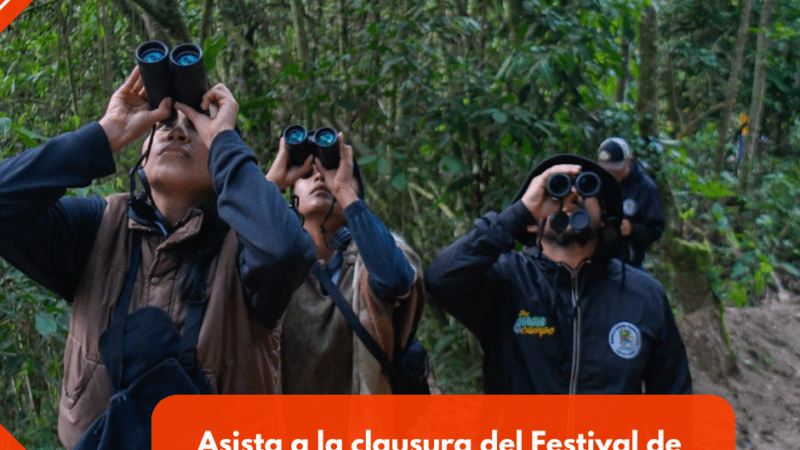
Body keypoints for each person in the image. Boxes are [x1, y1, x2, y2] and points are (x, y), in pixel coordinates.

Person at [0, 67, 315, 448]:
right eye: (163, 123)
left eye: (196, 128)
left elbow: (288, 249)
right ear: (142, 155)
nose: (176, 130)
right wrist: (105, 134)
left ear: (220, 164)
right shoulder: (100, 229)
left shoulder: (245, 251)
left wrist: (226, 142)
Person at [424, 154, 691, 395]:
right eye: (558, 190)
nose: (573, 195)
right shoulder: (506, 280)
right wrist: (517, 213)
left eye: (586, 188)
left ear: (605, 214)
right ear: (531, 223)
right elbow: (440, 280)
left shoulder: (643, 295)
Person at [266, 133, 425, 394]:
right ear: (291, 194)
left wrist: (342, 190)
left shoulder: (379, 254)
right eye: (307, 175)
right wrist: (271, 184)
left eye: (331, 171)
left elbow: (395, 279)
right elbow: (227, 260)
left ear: (356, 195)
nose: (320, 178)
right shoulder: (272, 259)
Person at [597, 137, 665, 268]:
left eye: (615, 168)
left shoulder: (645, 187)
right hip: (598, 260)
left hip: (629, 263)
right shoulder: (597, 181)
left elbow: (656, 228)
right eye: (607, 168)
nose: (611, 173)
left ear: (629, 161)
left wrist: (633, 229)